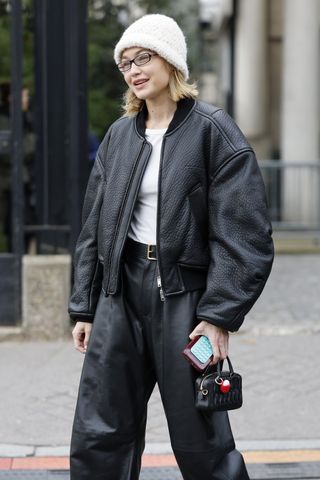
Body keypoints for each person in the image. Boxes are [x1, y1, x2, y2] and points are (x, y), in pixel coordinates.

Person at [68, 14, 274, 480]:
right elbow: (94, 226)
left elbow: (246, 235)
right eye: (125, 63)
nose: (134, 70)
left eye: (144, 57)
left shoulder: (212, 131)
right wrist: (84, 306)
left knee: (200, 434)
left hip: (184, 297)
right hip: (120, 296)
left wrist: (219, 315)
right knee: (99, 430)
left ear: (171, 60)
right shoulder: (120, 136)